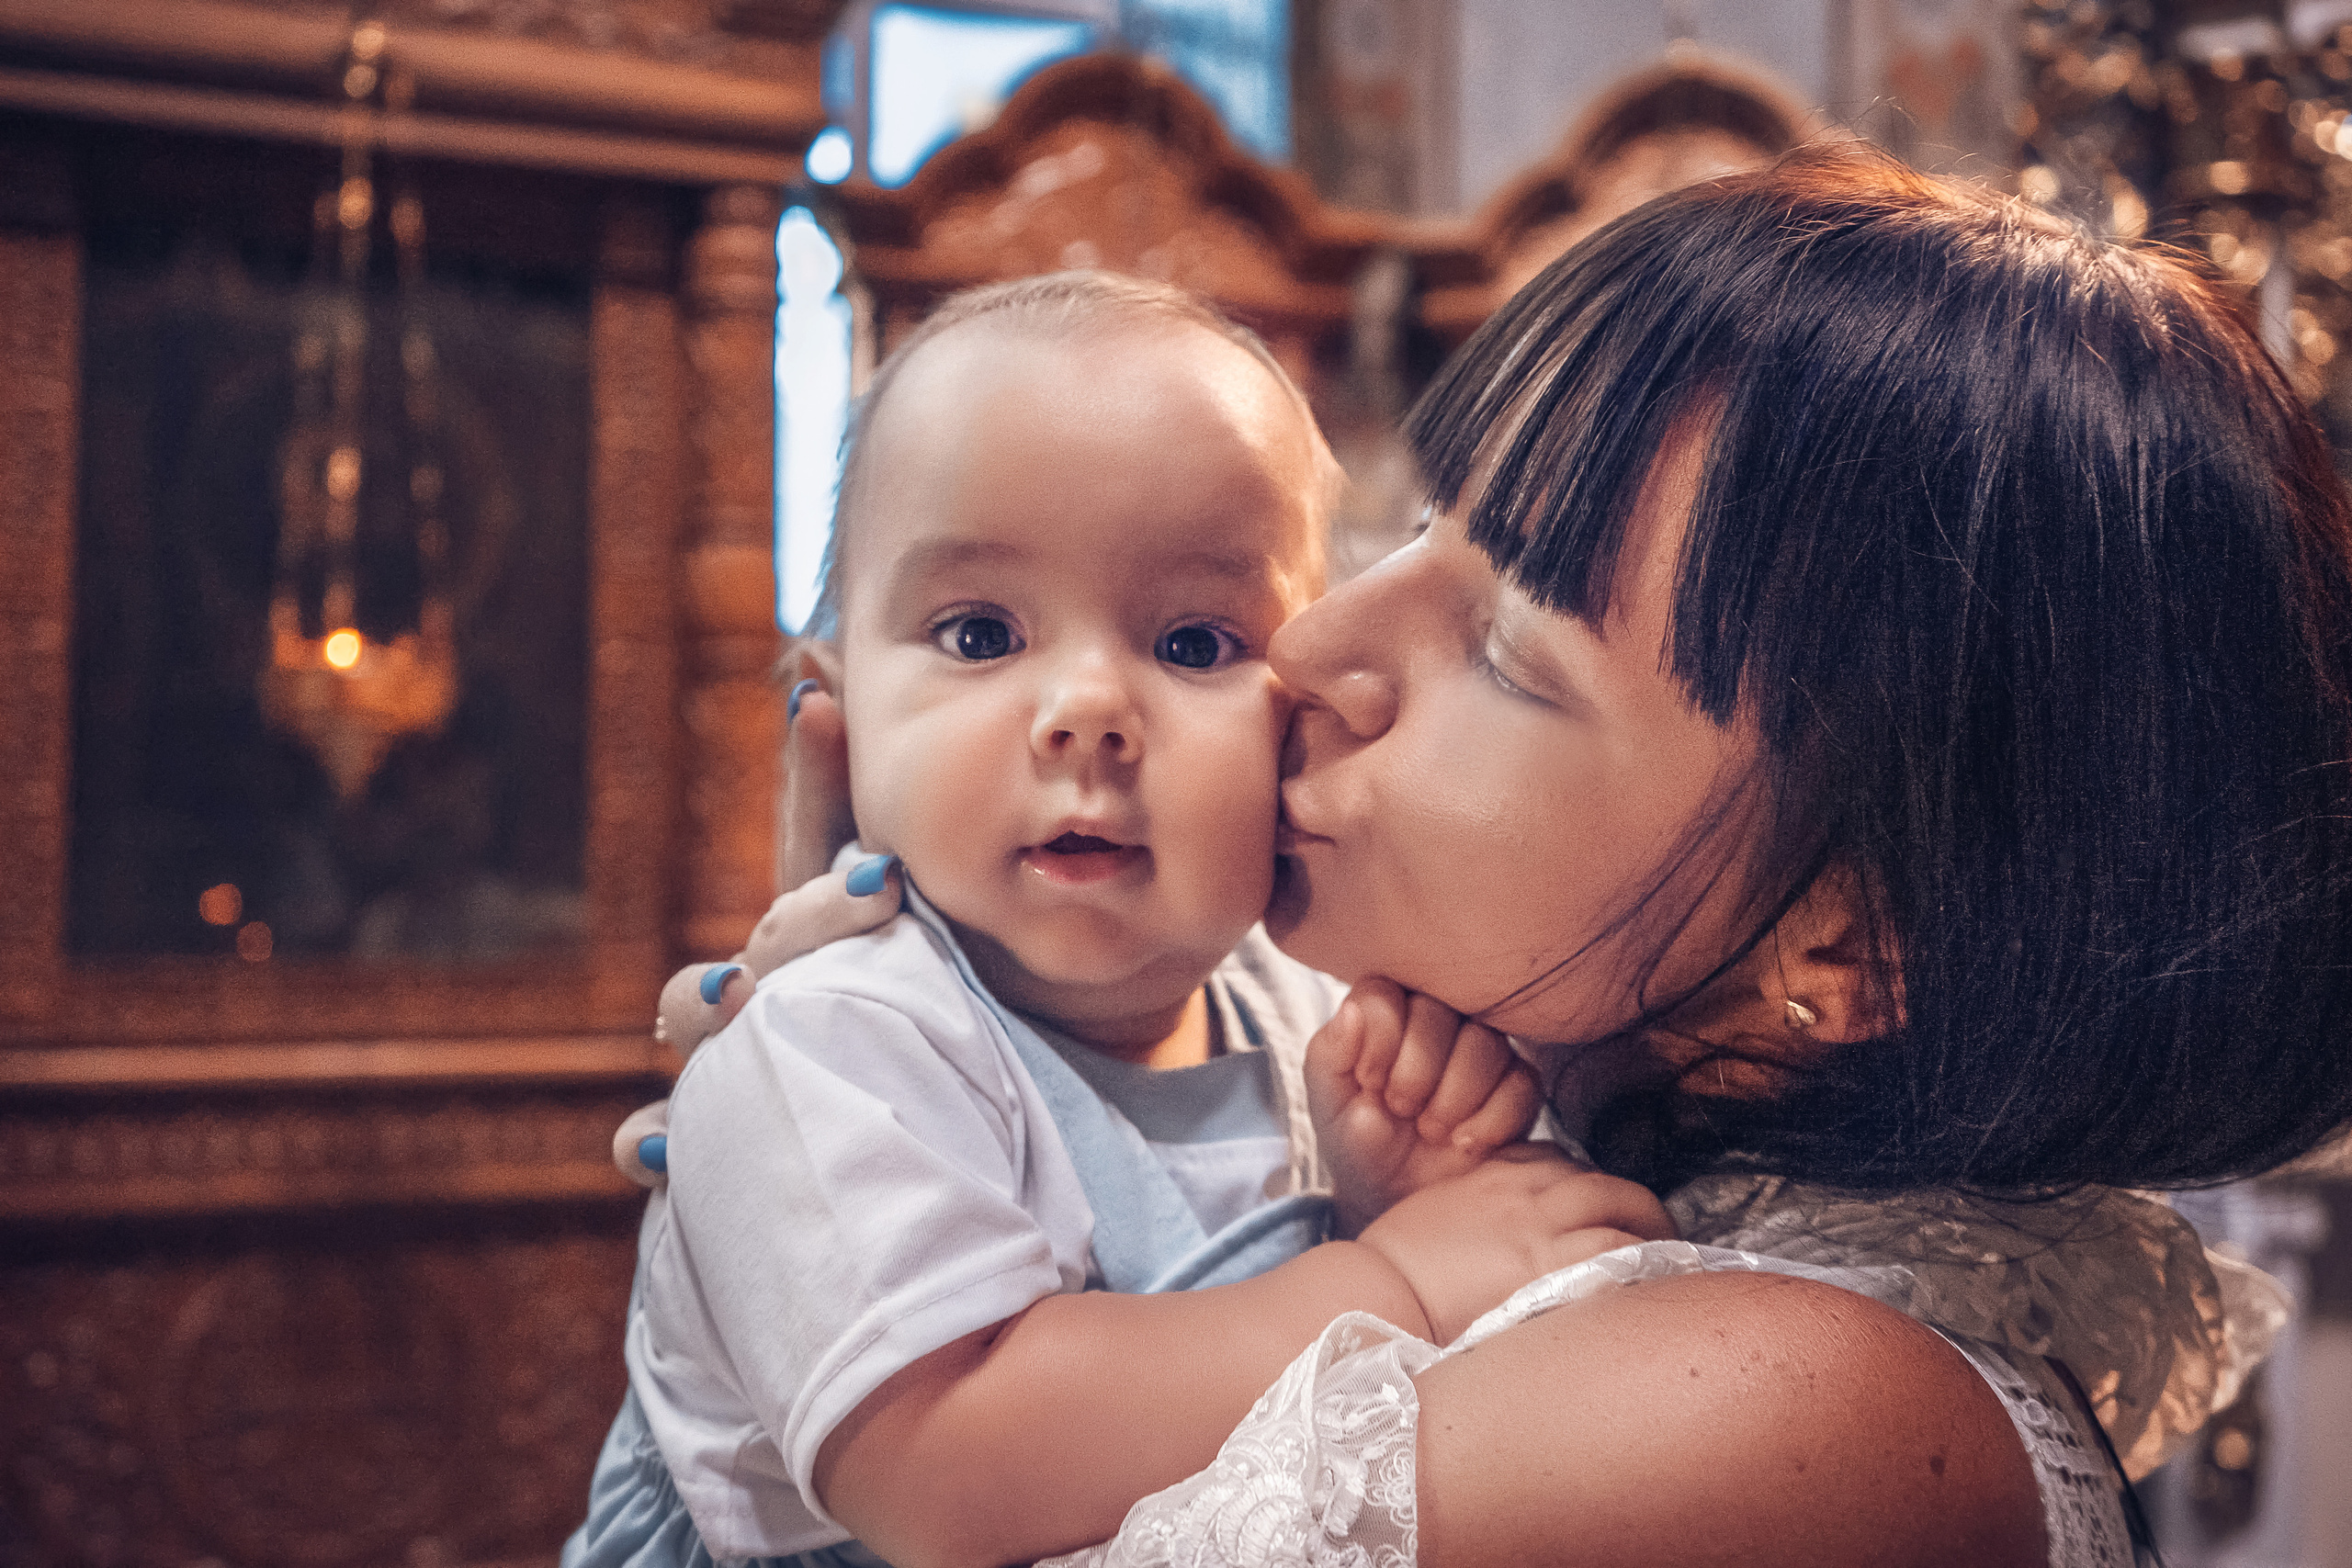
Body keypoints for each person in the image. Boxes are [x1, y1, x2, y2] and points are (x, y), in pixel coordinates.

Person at [674, 149, 2352, 1567]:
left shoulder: (1775, 1404)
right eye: (1419, 526)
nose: (1313, 644)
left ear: (1849, 944)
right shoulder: (1551, 1167)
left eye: (1504, 646)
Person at [565, 273, 1673, 1568]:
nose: (1087, 709)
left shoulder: (1307, 1012)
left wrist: (1383, 1201)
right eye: (979, 634)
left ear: (1299, 710)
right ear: (837, 720)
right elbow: (952, 1471)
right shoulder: (830, 1044)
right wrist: (1400, 1284)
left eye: (1197, 643)